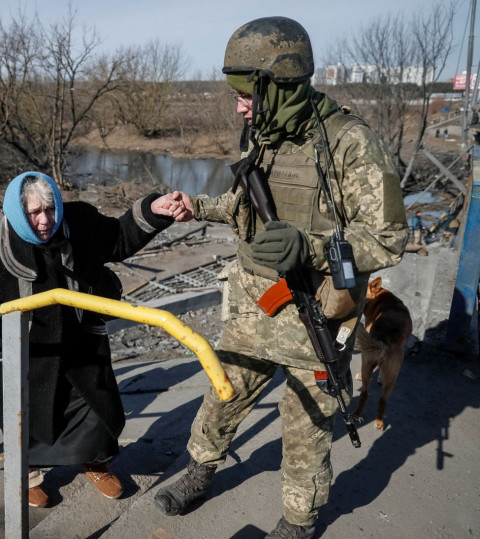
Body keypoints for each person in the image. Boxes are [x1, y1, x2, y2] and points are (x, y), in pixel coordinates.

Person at [151, 17, 408, 539]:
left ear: (282, 84)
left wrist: (310, 247)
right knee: (224, 392)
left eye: (247, 94)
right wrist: (196, 206)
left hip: (314, 314)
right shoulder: (264, 135)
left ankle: (297, 520)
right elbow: (247, 207)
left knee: (307, 423)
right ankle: (201, 468)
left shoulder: (351, 143)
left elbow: (387, 237)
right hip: (254, 304)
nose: (240, 105)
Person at [0, 171, 182, 508]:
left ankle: (94, 462)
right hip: (24, 356)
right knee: (26, 419)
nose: (45, 220)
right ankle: (28, 476)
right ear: (16, 212)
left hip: (80, 345)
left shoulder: (79, 219)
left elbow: (118, 238)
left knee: (94, 410)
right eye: (34, 213)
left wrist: (155, 209)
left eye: (50, 209)